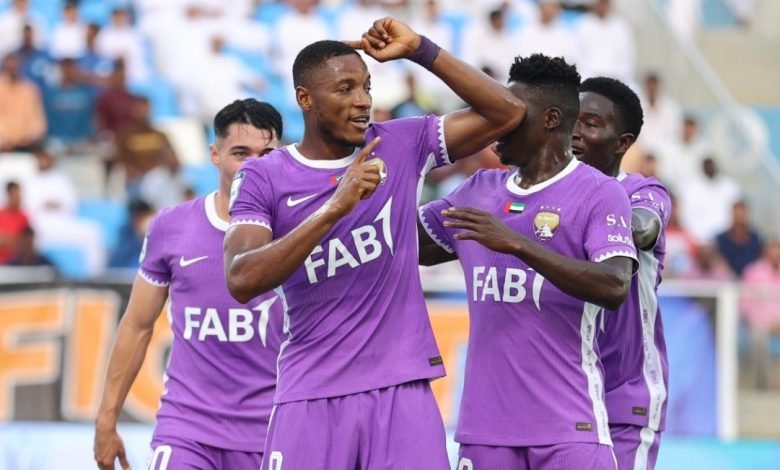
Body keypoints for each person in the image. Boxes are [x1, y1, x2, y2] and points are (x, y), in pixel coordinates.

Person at [224, 17, 525, 469]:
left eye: (366, 87)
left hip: (402, 387)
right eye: (345, 89)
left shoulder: (399, 143)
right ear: (305, 98)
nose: (363, 100)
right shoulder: (263, 176)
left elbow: (508, 113)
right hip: (312, 391)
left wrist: (420, 49)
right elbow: (241, 278)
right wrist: (334, 209)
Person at [417, 54, 636, 469]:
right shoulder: (479, 190)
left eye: (511, 114)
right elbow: (400, 243)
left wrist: (517, 244)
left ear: (550, 119)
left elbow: (614, 284)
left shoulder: (599, 192)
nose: (496, 123)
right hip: (484, 433)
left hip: (570, 429)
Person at [93, 99, 286, 470]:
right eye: (240, 153)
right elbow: (137, 325)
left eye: (266, 154)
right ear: (215, 155)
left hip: (273, 433)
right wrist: (106, 418)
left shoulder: (303, 230)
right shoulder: (172, 226)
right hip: (187, 431)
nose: (254, 165)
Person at [572, 76, 672, 470]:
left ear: (623, 142)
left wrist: (582, 221)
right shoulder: (551, 197)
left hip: (627, 399)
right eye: (572, 121)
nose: (575, 133)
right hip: (569, 397)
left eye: (590, 124)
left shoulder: (644, 191)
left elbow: (644, 228)